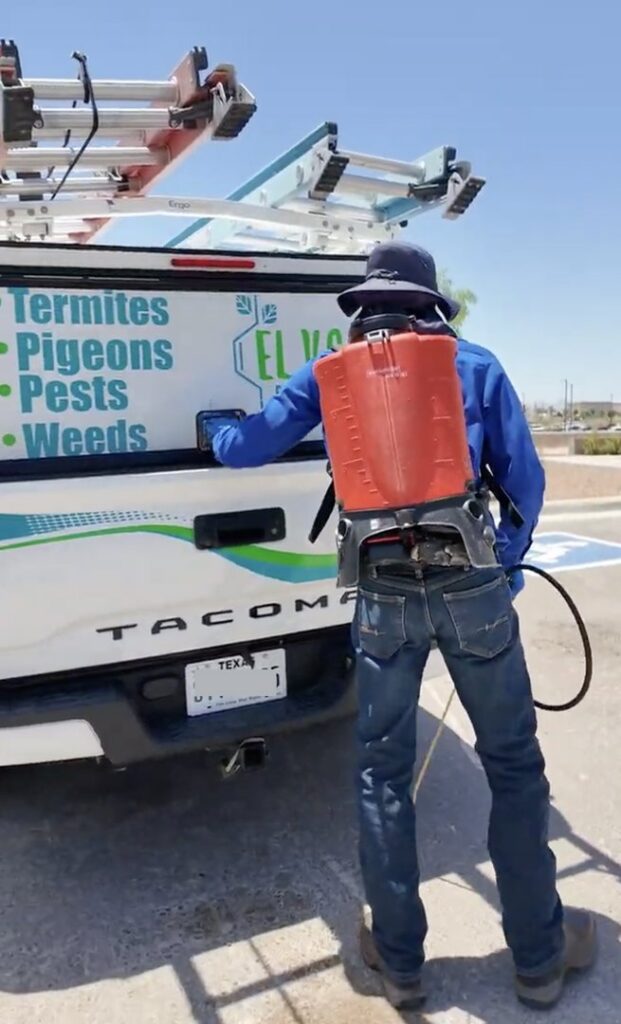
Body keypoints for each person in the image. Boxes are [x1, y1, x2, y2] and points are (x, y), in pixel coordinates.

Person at [211, 242, 596, 1011]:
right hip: (472, 587)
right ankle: (538, 960)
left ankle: (399, 965)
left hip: (381, 594)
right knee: (513, 767)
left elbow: (243, 450)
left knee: (380, 773)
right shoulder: (475, 364)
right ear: (431, 303)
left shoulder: (329, 372)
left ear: (363, 304)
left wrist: (220, 425)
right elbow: (525, 478)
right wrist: (505, 566)